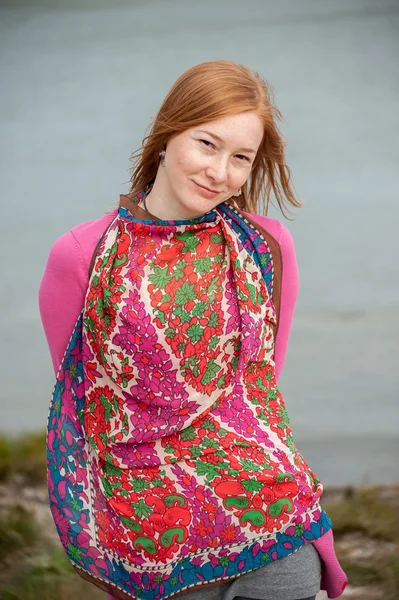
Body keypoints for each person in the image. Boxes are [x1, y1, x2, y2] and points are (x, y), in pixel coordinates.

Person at [39, 60, 347, 600]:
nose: (220, 172)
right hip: (154, 529)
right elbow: (81, 405)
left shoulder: (265, 247)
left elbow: (260, 386)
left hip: (269, 516)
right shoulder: (81, 255)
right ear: (167, 135)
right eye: (207, 143)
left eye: (240, 158)